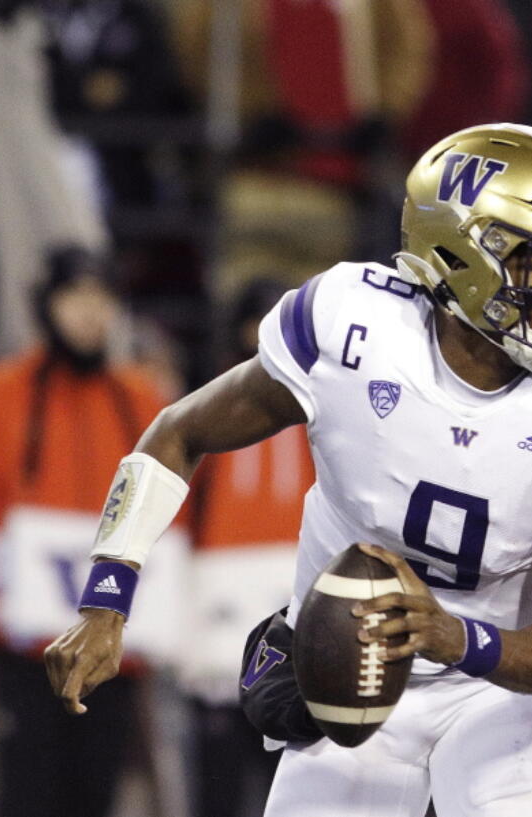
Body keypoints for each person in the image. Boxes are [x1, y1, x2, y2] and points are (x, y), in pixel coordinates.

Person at [44, 122, 532, 817]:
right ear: (460, 254)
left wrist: (453, 635)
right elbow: (176, 432)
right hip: (346, 662)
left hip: (501, 679)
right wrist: (107, 597)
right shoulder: (353, 329)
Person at [0, 248, 186, 817]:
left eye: (102, 298)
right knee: (25, 790)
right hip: (25, 646)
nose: (89, 312)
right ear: (46, 305)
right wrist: (1, 574)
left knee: (96, 792)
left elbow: (173, 506)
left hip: (112, 648)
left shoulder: (142, 401)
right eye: (75, 296)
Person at [178, 279, 316, 817]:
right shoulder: (211, 410)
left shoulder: (323, 411)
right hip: (217, 610)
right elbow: (183, 511)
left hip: (295, 601)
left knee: (291, 762)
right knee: (217, 768)